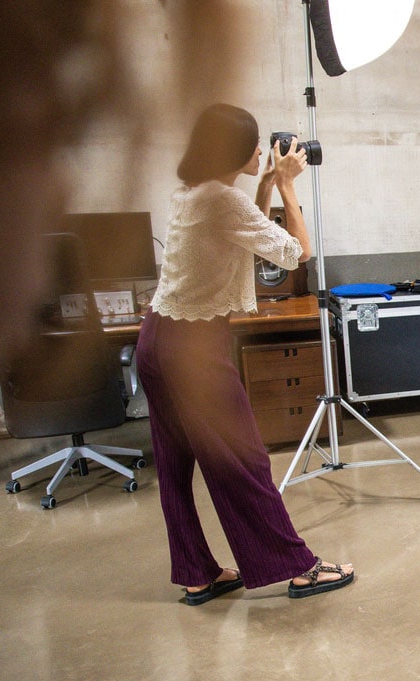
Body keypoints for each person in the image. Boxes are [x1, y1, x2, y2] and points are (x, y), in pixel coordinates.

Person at [136, 103, 354, 603]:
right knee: (247, 460)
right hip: (192, 350)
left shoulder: (193, 194)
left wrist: (264, 182)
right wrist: (287, 185)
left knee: (174, 465)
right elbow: (297, 251)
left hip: (157, 341)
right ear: (234, 151)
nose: (264, 150)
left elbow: (246, 223)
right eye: (256, 144)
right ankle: (299, 568)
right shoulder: (221, 201)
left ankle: (198, 573)